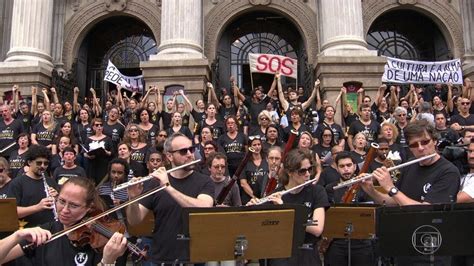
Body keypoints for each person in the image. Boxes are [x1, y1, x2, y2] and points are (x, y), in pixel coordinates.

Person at [361, 120, 460, 265]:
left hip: (430, 250)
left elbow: (426, 212)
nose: (420, 148)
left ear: (435, 141)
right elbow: (396, 203)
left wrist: (391, 188)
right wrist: (371, 190)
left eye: (425, 142)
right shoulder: (410, 166)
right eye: (414, 145)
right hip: (405, 246)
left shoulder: (448, 172)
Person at [126, 133, 214, 264]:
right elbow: (134, 220)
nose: (190, 154)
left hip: (193, 259)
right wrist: (132, 199)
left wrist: (168, 187)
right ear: (169, 156)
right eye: (184, 151)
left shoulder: (205, 181)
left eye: (192, 149)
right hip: (162, 258)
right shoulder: (155, 183)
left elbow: (204, 207)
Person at [1, 176, 127, 265]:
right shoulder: (46, 231)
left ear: (89, 207)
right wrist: (17, 236)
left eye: (74, 205)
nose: (65, 210)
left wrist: (107, 262)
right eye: (61, 201)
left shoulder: (98, 241)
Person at [248, 149, 329, 266]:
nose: (307, 174)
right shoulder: (275, 195)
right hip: (281, 255)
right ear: (290, 172)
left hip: (307, 254)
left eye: (310, 169)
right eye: (302, 171)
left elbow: (316, 228)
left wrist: (285, 210)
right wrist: (253, 209)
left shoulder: (317, 191)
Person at [324, 152, 374, 266]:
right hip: (337, 241)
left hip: (361, 241)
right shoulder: (330, 188)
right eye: (342, 166)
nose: (346, 169)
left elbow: (369, 216)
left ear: (355, 166)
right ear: (336, 168)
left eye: (349, 165)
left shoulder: (364, 185)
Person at [7, 145, 59, 228]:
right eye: (39, 163)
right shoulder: (17, 183)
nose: (42, 166)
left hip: (51, 230)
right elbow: (11, 212)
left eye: (46, 163)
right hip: (27, 232)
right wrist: (37, 207)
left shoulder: (51, 181)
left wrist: (57, 199)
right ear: (29, 162)